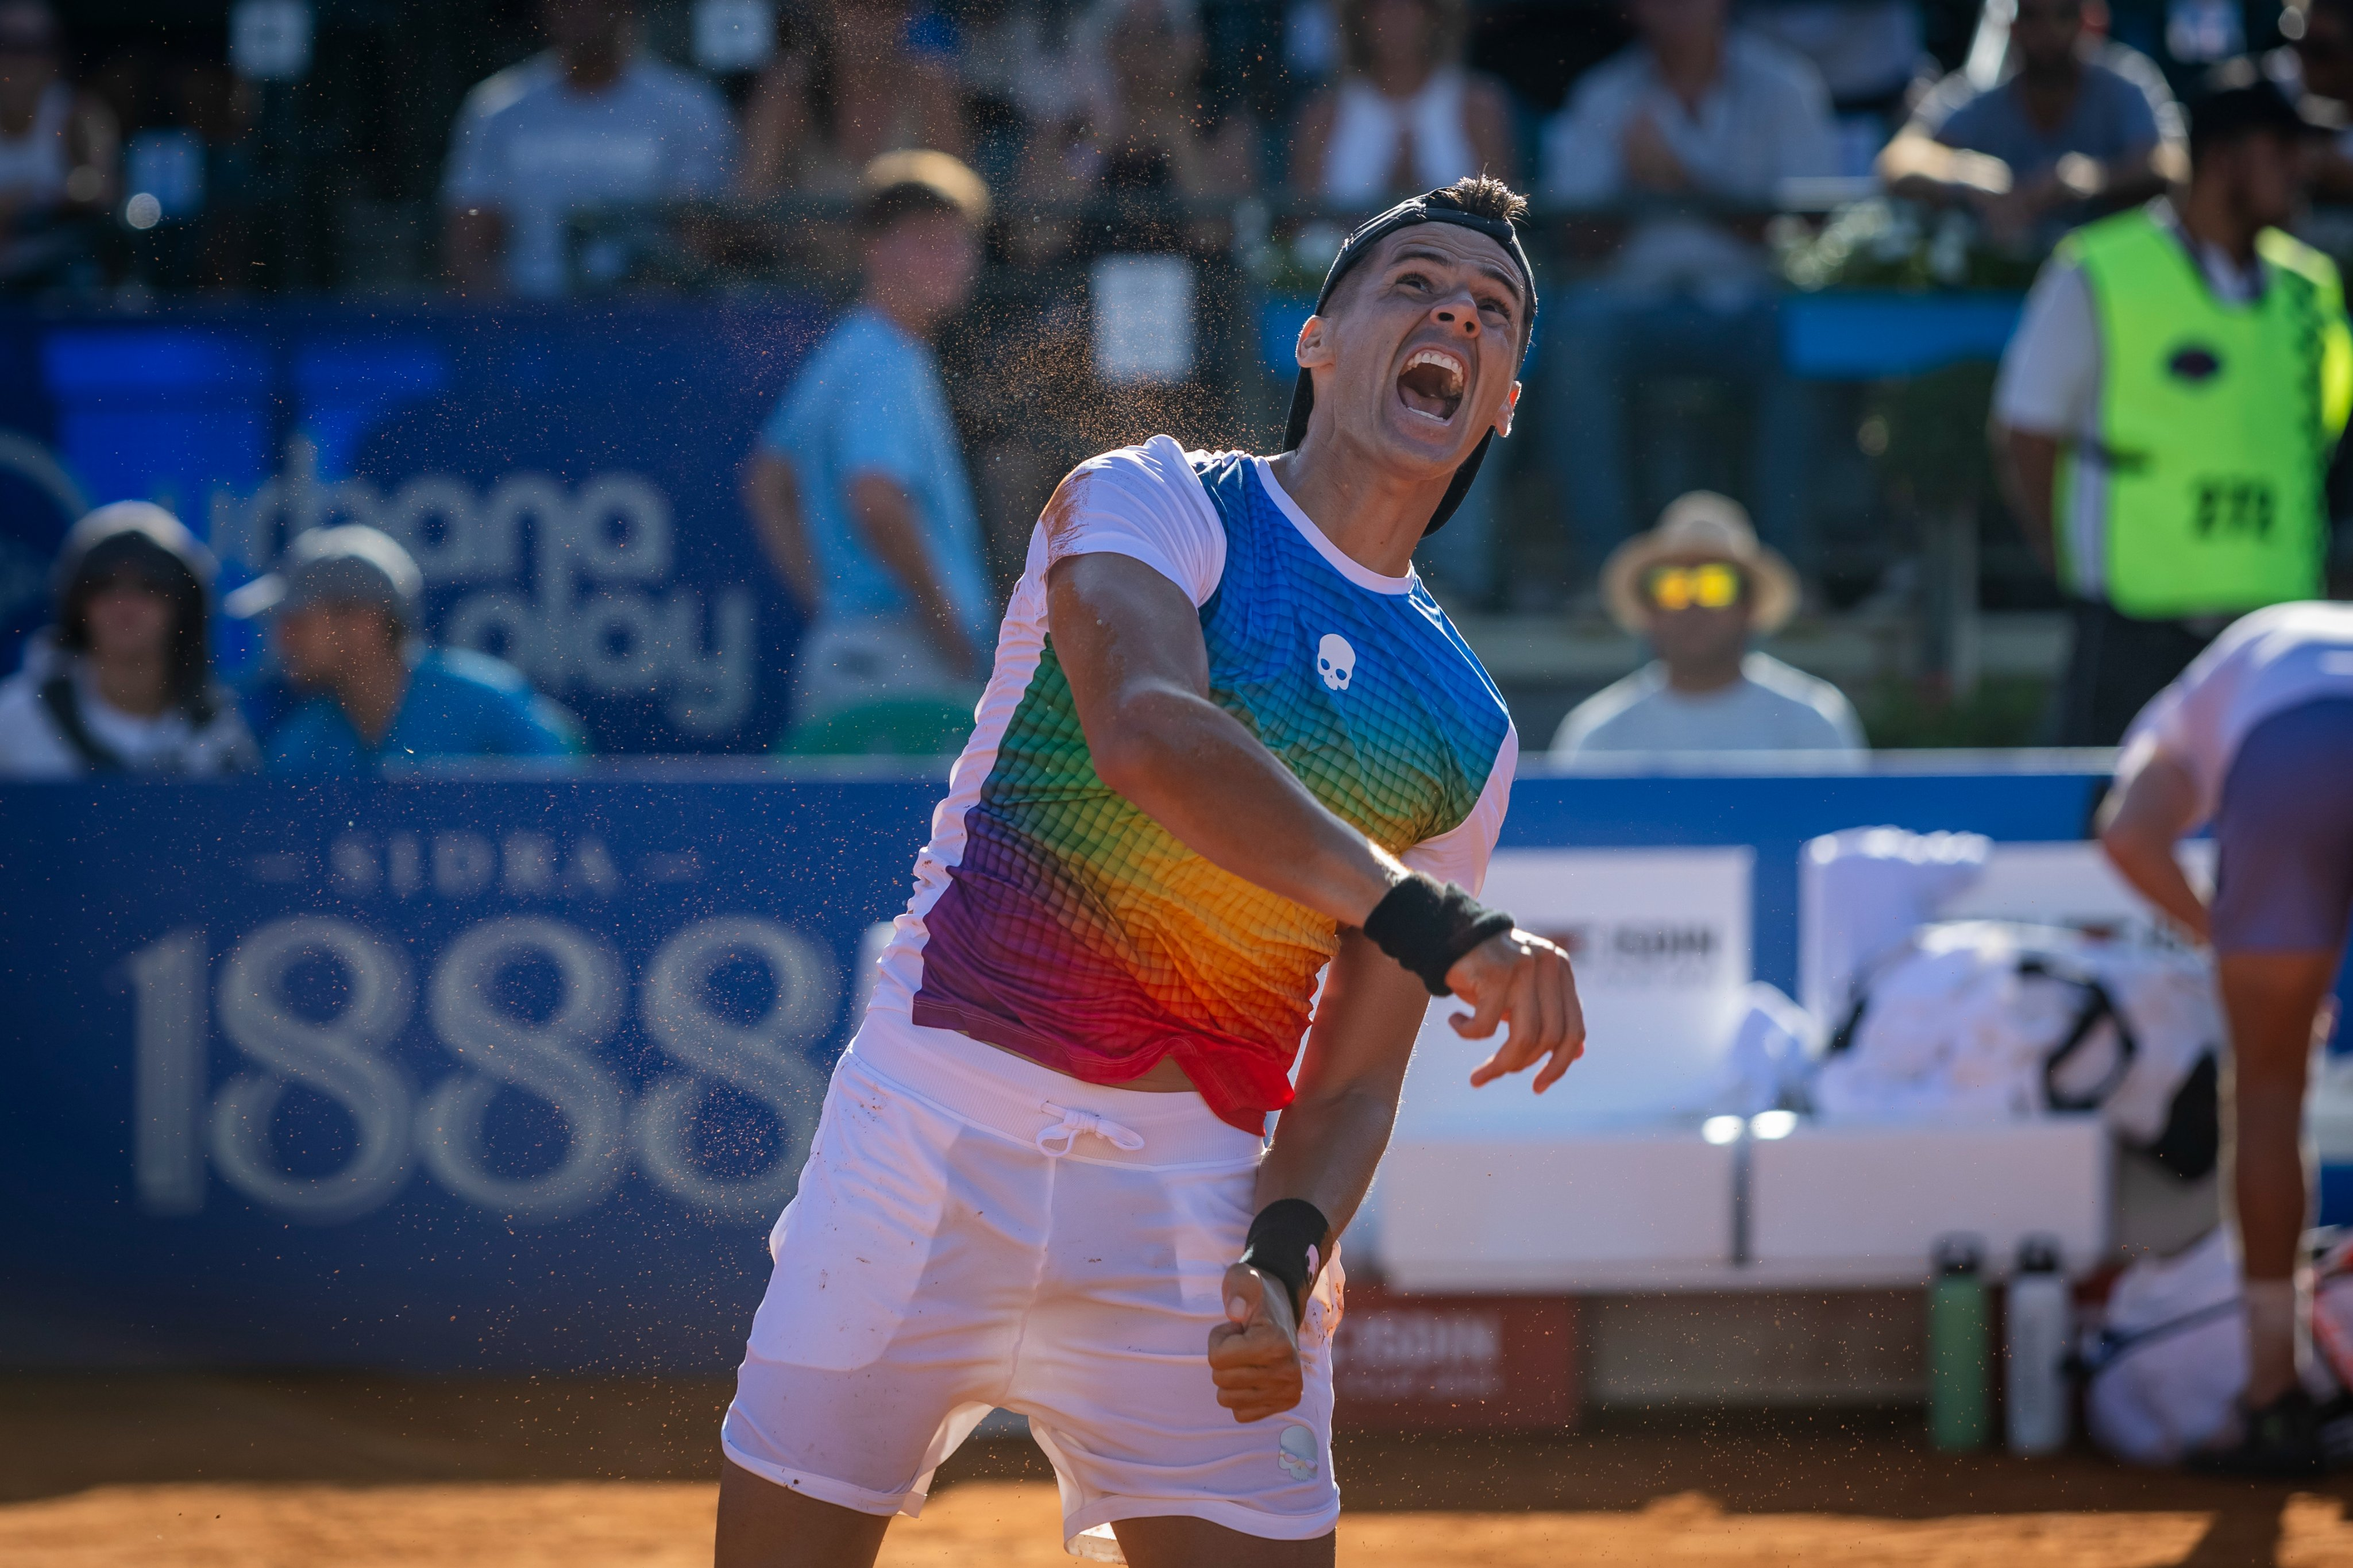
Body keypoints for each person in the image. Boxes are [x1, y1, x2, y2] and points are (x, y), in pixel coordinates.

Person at [712, 176, 1583, 1566]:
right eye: (1415, 284)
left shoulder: (1466, 728)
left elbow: (1352, 1083)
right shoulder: (1153, 498)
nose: (1456, 316)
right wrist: (1439, 921)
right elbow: (1147, 735)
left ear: (1506, 404)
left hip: (1196, 1215)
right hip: (925, 1146)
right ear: (1315, 341)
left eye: (1493, 310)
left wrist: (1281, 1262)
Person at [1991, 65, 2352, 746]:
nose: (2302, 169)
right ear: (2222, 159)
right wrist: (2073, 562)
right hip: (2134, 630)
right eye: (2281, 150)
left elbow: (2322, 426)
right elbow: (2026, 434)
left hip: (2274, 630)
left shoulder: (2310, 287)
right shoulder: (2098, 269)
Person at [2096, 601, 2353, 1476]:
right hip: (2286, 740)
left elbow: (2129, 836)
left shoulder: (2180, 717)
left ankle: (2274, 1399)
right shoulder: (2285, 648)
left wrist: (2228, 940)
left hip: (2289, 759)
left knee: (2269, 1090)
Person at [1539, 0, 1840, 586]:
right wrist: (1632, 186)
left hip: (1753, 302)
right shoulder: (1602, 94)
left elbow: (1815, 228)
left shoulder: (1785, 84)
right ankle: (1605, 577)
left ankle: (1787, 574)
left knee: (1809, 338)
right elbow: (1574, 241)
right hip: (1633, 304)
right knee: (1575, 332)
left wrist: (1682, 180)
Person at [743, 151, 998, 756]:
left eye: (959, 243)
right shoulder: (884, 361)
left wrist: (831, 605)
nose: (951, 260)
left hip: (855, 653)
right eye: (927, 243)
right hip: (904, 659)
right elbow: (877, 500)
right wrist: (945, 624)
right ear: (876, 250)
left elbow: (766, 480)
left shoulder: (850, 349)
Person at [441, 0, 736, 296]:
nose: (581, 10)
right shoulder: (496, 108)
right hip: (529, 311)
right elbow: (468, 245)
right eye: (567, 4)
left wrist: (646, 307)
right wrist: (505, 318)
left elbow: (701, 237)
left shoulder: (688, 107)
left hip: (648, 310)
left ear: (628, 7)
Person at [226, 525, 577, 771]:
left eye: (299, 622)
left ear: (363, 624)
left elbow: (566, 817)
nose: (282, 640)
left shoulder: (490, 705)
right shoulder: (303, 742)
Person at [1551, 490, 1864, 759]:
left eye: (1716, 584)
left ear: (1748, 605)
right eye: (1672, 585)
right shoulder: (1597, 734)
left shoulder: (1813, 721)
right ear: (1650, 608)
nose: (1693, 604)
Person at [1878, 0, 2181, 253]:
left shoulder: (2125, 84)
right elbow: (1898, 160)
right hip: (2002, 285)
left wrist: (2094, 178)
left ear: (2088, 22)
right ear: (2012, 27)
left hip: (2105, 274)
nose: (2048, 32)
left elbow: (2174, 164)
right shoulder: (1982, 94)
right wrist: (1965, 173)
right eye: (2032, 16)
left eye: (2063, 15)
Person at [0, 502, 257, 777]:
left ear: (185, 607)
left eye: (150, 586)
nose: (124, 604)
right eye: (104, 585)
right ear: (77, 604)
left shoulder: (221, 733)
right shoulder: (15, 720)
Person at [1289, 0, 1517, 199]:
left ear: (1434, 15)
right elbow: (1302, 215)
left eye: (1410, 5)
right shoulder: (1322, 111)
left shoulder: (1479, 104)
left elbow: (1499, 212)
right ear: (1359, 19)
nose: (1395, 16)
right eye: (1380, 7)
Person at [738, 0, 967, 196]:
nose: (866, 18)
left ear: (907, 14)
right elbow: (753, 196)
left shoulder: (928, 87)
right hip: (808, 238)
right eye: (852, 4)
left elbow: (956, 198)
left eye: (886, 6)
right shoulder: (790, 87)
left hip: (903, 239)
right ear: (827, 9)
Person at [0, 0, 117, 288]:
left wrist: (33, 198)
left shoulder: (81, 114)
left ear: (53, 56)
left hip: (55, 268)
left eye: (33, 47)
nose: (20, 60)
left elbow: (105, 189)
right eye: (8, 45)